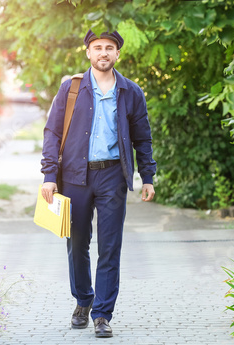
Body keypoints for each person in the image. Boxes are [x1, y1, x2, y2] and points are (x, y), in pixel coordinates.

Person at [40, 29, 157, 338]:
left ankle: (102, 314)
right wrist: (50, 176)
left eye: (109, 48)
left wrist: (147, 177)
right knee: (76, 243)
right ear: (88, 53)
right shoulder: (71, 89)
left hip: (112, 177)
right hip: (75, 176)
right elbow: (52, 133)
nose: (103, 52)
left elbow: (143, 139)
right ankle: (83, 300)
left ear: (117, 54)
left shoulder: (131, 92)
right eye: (97, 48)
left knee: (110, 247)